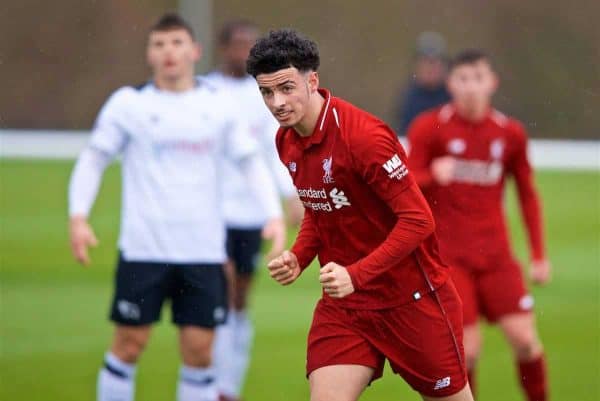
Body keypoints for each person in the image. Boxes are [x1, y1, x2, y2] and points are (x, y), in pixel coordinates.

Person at [248, 29, 474, 401]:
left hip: (411, 301)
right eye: (266, 93)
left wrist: (356, 274)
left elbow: (419, 220)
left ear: (313, 81)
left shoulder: (364, 138)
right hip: (346, 308)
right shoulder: (285, 140)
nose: (277, 102)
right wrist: (299, 256)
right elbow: (321, 210)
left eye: (286, 87)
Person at [68, 14, 285, 401]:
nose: (169, 52)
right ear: (150, 53)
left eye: (177, 43)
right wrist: (78, 216)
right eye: (160, 44)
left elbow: (251, 160)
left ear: (195, 51)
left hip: (202, 252)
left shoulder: (217, 106)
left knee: (200, 353)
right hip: (144, 250)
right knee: (129, 344)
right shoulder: (128, 104)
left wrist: (273, 213)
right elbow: (94, 159)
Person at [407, 49, 550, 401]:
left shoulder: (510, 133)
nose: (471, 87)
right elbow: (404, 184)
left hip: (497, 257)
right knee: (467, 351)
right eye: (463, 79)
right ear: (450, 84)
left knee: (526, 342)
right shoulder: (429, 127)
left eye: (478, 78)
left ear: (492, 82)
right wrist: (430, 176)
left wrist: (538, 254)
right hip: (450, 258)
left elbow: (528, 195)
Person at [203, 20, 303, 401]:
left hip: (250, 211)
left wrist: (291, 194)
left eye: (249, 44)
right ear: (223, 47)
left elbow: (273, 149)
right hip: (212, 210)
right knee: (222, 288)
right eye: (237, 44)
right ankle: (216, 385)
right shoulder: (206, 91)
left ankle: (230, 378)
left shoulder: (263, 93)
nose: (243, 51)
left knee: (239, 298)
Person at [394, 31, 450, 136]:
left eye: (435, 63)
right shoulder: (408, 98)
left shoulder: (453, 94)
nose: (431, 69)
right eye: (426, 62)